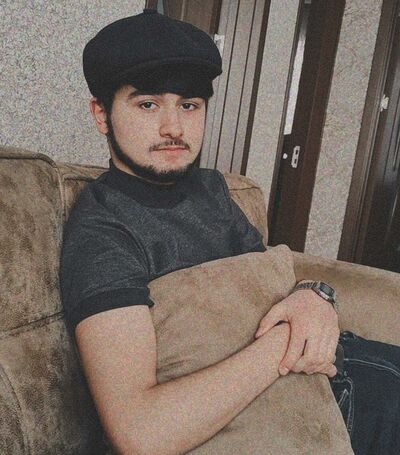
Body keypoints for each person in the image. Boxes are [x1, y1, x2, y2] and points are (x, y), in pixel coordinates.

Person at [60, 8, 400, 455]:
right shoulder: (104, 230)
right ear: (101, 114)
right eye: (147, 104)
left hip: (342, 364)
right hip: (311, 411)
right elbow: (141, 431)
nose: (174, 127)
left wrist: (315, 295)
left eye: (189, 105)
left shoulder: (210, 189)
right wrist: (287, 340)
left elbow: (267, 282)